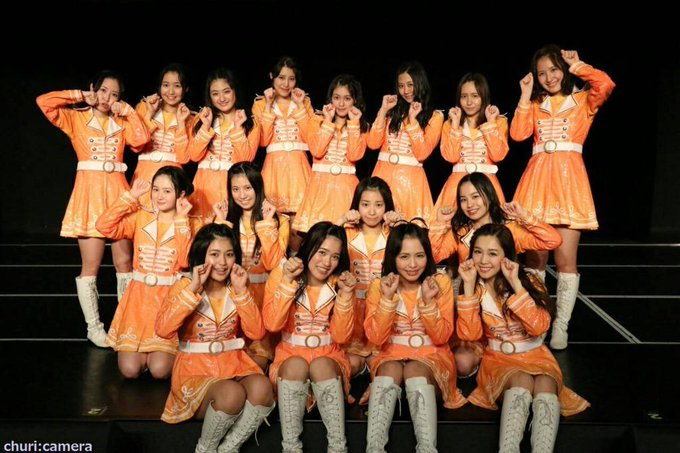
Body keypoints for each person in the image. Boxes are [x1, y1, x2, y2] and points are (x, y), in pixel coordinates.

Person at [510, 45, 615, 350]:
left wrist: (577, 64)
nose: (549, 77)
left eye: (554, 69)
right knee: (535, 258)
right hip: (536, 183)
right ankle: (539, 320)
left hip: (569, 184)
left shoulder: (582, 100)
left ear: (563, 70)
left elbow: (605, 84)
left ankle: (561, 325)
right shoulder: (536, 103)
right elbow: (517, 134)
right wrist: (525, 96)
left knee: (566, 260)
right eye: (542, 72)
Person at [36, 70, 149, 347]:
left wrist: (129, 111)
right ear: (93, 89)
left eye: (114, 94)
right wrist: (78, 96)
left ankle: (125, 325)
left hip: (119, 194)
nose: (107, 98)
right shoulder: (76, 118)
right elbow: (44, 102)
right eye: (103, 91)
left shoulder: (121, 122)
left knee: (125, 263)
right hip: (89, 196)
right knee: (91, 265)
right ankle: (94, 328)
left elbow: (141, 140)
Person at [457, 224, 589, 453]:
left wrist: (516, 284)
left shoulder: (530, 282)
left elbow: (539, 327)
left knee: (545, 384)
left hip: (537, 356)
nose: (483, 260)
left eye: (492, 253)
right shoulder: (474, 287)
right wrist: (468, 288)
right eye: (477, 252)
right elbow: (469, 335)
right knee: (522, 381)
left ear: (507, 256)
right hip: (499, 360)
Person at [156, 223, 275, 452]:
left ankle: (229, 448)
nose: (222, 262)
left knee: (262, 387)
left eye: (229, 255)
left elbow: (256, 333)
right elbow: (163, 329)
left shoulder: (237, 287)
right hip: (195, 370)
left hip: (234, 364)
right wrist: (193, 288)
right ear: (201, 255)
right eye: (215, 254)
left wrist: (242, 292)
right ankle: (206, 449)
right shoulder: (185, 285)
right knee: (231, 393)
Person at [429, 173, 562, 377]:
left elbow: (552, 240)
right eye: (463, 199)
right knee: (462, 364)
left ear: (489, 195)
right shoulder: (460, 232)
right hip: (473, 305)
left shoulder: (509, 230)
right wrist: (440, 223)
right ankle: (488, 359)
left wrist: (525, 216)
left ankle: (500, 360)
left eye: (475, 196)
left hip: (505, 310)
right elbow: (433, 255)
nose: (470, 204)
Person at [364, 221, 466, 453]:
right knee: (389, 369)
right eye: (404, 257)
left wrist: (428, 302)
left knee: (414, 370)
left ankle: (427, 449)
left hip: (433, 356)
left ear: (428, 256)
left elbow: (442, 336)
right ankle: (374, 448)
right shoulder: (380, 285)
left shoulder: (439, 282)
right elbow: (376, 337)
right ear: (393, 257)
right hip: (391, 354)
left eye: (419, 256)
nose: (412, 264)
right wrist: (387, 299)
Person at [263, 222, 357, 453]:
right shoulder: (284, 274)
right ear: (308, 248)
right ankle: (291, 448)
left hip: (329, 359)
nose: (327, 262)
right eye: (322, 252)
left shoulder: (340, 282)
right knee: (295, 364)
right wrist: (288, 282)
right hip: (290, 359)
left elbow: (342, 336)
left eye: (335, 256)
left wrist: (345, 295)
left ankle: (338, 448)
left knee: (321, 365)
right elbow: (272, 324)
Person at [95, 166, 194, 379]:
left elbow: (185, 261)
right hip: (137, 301)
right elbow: (104, 226)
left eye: (167, 191)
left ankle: (161, 355)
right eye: (156, 189)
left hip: (167, 300)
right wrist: (130, 197)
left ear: (181, 194)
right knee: (129, 370)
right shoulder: (141, 217)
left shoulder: (189, 222)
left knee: (160, 370)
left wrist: (182, 220)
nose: (159, 196)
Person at [212, 162, 290, 371]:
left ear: (258, 187)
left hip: (263, 297)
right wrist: (221, 223)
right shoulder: (224, 218)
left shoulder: (279, 221)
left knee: (256, 362)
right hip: (231, 296)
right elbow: (214, 262)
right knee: (226, 360)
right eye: (235, 189)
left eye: (247, 188)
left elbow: (272, 263)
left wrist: (266, 223)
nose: (242, 195)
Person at [335, 177, 401, 385]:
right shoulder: (346, 233)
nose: (372, 211)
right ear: (357, 205)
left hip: (381, 307)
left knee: (382, 366)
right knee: (349, 364)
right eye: (365, 204)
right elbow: (322, 243)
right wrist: (340, 220)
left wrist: (400, 224)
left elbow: (416, 251)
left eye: (378, 205)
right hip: (352, 306)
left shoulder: (393, 234)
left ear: (387, 207)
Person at [367, 61, 443, 223]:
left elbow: (422, 153)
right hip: (382, 176)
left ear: (420, 83)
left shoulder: (435, 116)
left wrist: (413, 120)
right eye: (401, 86)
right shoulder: (392, 110)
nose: (406, 91)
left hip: (411, 183)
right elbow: (372, 143)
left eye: (410, 85)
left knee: (408, 230)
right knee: (378, 226)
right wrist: (383, 110)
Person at [292, 74, 369, 233]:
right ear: (331, 98)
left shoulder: (362, 126)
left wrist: (354, 123)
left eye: (347, 98)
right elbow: (317, 150)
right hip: (319, 187)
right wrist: (327, 121)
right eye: (336, 97)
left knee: (346, 236)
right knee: (318, 237)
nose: (341, 103)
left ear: (355, 100)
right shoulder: (318, 120)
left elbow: (355, 155)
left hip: (346, 189)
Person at [252, 56, 314, 251]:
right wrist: (268, 105)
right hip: (273, 169)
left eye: (291, 79)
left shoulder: (304, 101)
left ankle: (295, 259)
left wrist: (300, 106)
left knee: (298, 225)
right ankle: (275, 262)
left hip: (299, 167)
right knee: (273, 220)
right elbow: (263, 140)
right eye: (281, 77)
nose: (286, 84)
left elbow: (312, 138)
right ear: (272, 76)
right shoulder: (260, 104)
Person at [188, 68, 260, 223]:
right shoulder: (201, 119)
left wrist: (238, 128)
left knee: (226, 231)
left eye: (226, 91)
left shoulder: (250, 122)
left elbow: (245, 160)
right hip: (203, 187)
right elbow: (193, 156)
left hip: (230, 186)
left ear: (235, 90)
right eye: (215, 94)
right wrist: (206, 126)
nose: (221, 98)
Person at [434, 72, 508, 213]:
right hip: (457, 186)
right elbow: (450, 157)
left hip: (487, 185)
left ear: (483, 96)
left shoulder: (499, 121)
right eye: (464, 96)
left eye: (475, 96)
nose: (469, 102)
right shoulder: (450, 124)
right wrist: (455, 125)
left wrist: (491, 122)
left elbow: (498, 155)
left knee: (490, 225)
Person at [131, 63, 192, 207]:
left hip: (172, 178)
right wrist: (149, 114)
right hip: (143, 175)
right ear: (159, 87)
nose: (171, 91)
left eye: (177, 86)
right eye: (166, 85)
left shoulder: (191, 118)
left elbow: (184, 158)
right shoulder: (143, 107)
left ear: (186, 88)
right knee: (140, 217)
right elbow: (135, 146)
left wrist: (181, 124)